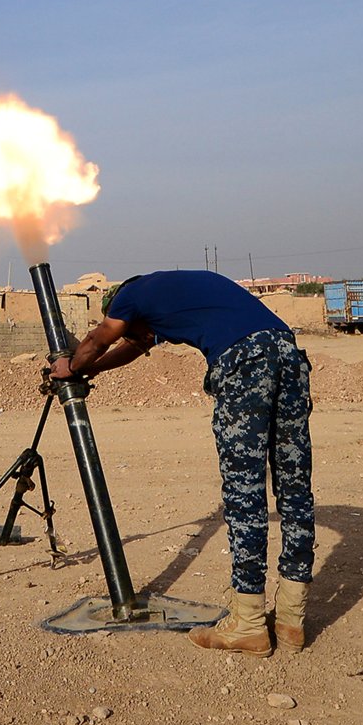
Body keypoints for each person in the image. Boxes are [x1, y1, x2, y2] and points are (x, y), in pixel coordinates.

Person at [50, 270, 315, 657]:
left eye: (129, 329)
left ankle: (248, 625)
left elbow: (97, 339)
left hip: (244, 361)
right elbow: (132, 348)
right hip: (288, 354)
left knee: (245, 493)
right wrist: (95, 369)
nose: (134, 338)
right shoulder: (173, 296)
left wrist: (71, 367)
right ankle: (291, 620)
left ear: (126, 311)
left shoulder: (130, 295)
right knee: (295, 490)